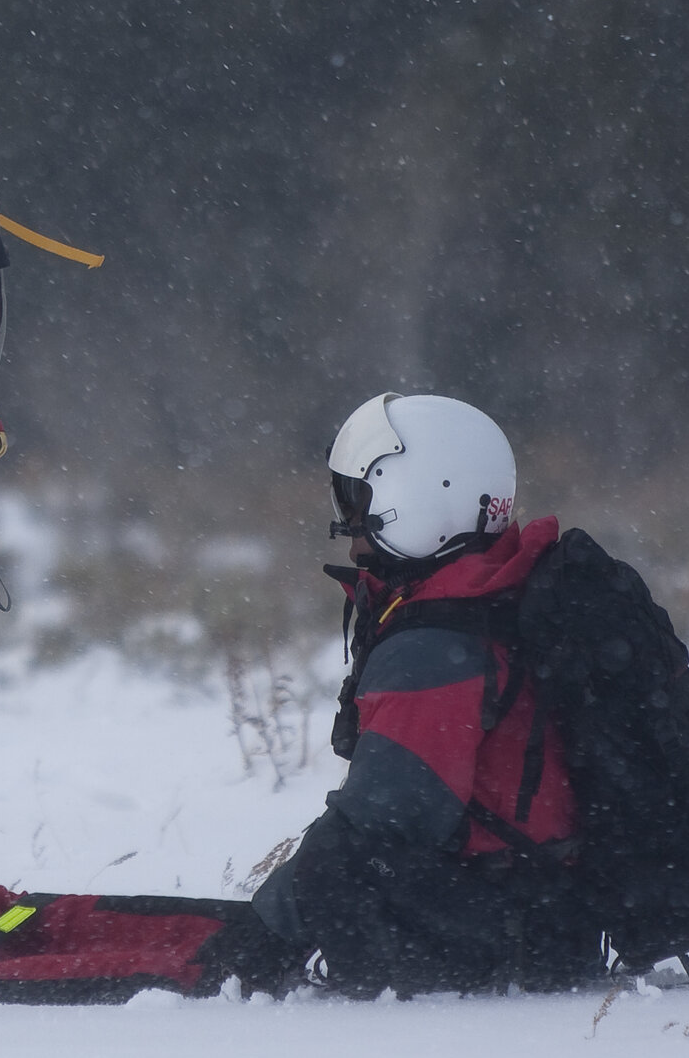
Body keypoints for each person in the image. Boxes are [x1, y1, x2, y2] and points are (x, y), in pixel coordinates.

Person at [253, 392, 604, 996]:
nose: (350, 530)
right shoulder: (498, 594)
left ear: (419, 499)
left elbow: (385, 818)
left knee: (336, 864)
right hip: (549, 910)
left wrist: (258, 938)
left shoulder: (437, 646)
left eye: (362, 504)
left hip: (522, 930)